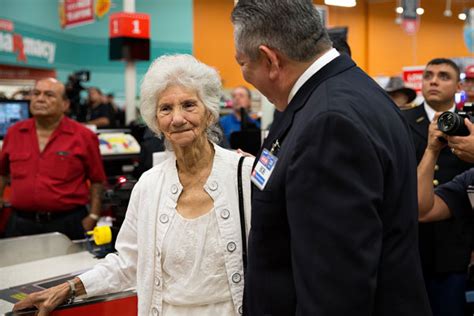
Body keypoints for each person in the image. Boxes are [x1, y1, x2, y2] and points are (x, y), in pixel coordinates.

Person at [12, 55, 253, 316]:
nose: (177, 118)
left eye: (188, 105)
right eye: (166, 109)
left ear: (209, 113)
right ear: (156, 121)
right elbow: (127, 263)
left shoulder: (243, 176)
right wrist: (70, 287)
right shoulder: (149, 186)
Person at [231, 1, 431, 315]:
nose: (244, 75)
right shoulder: (353, 90)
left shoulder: (327, 124)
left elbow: (334, 292)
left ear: (270, 59)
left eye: (242, 63)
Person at [403, 58, 474, 316]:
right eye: (429, 75)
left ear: (457, 86)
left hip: (454, 239)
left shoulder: (469, 124)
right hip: (410, 239)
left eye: (443, 76)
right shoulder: (401, 119)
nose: (433, 80)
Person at [0, 78, 106, 240]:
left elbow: (97, 180)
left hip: (67, 224)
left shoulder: (84, 136)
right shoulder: (14, 133)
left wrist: (93, 216)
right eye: (36, 93)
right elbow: (2, 173)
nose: (40, 99)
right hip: (20, 224)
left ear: (65, 104)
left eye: (49, 95)